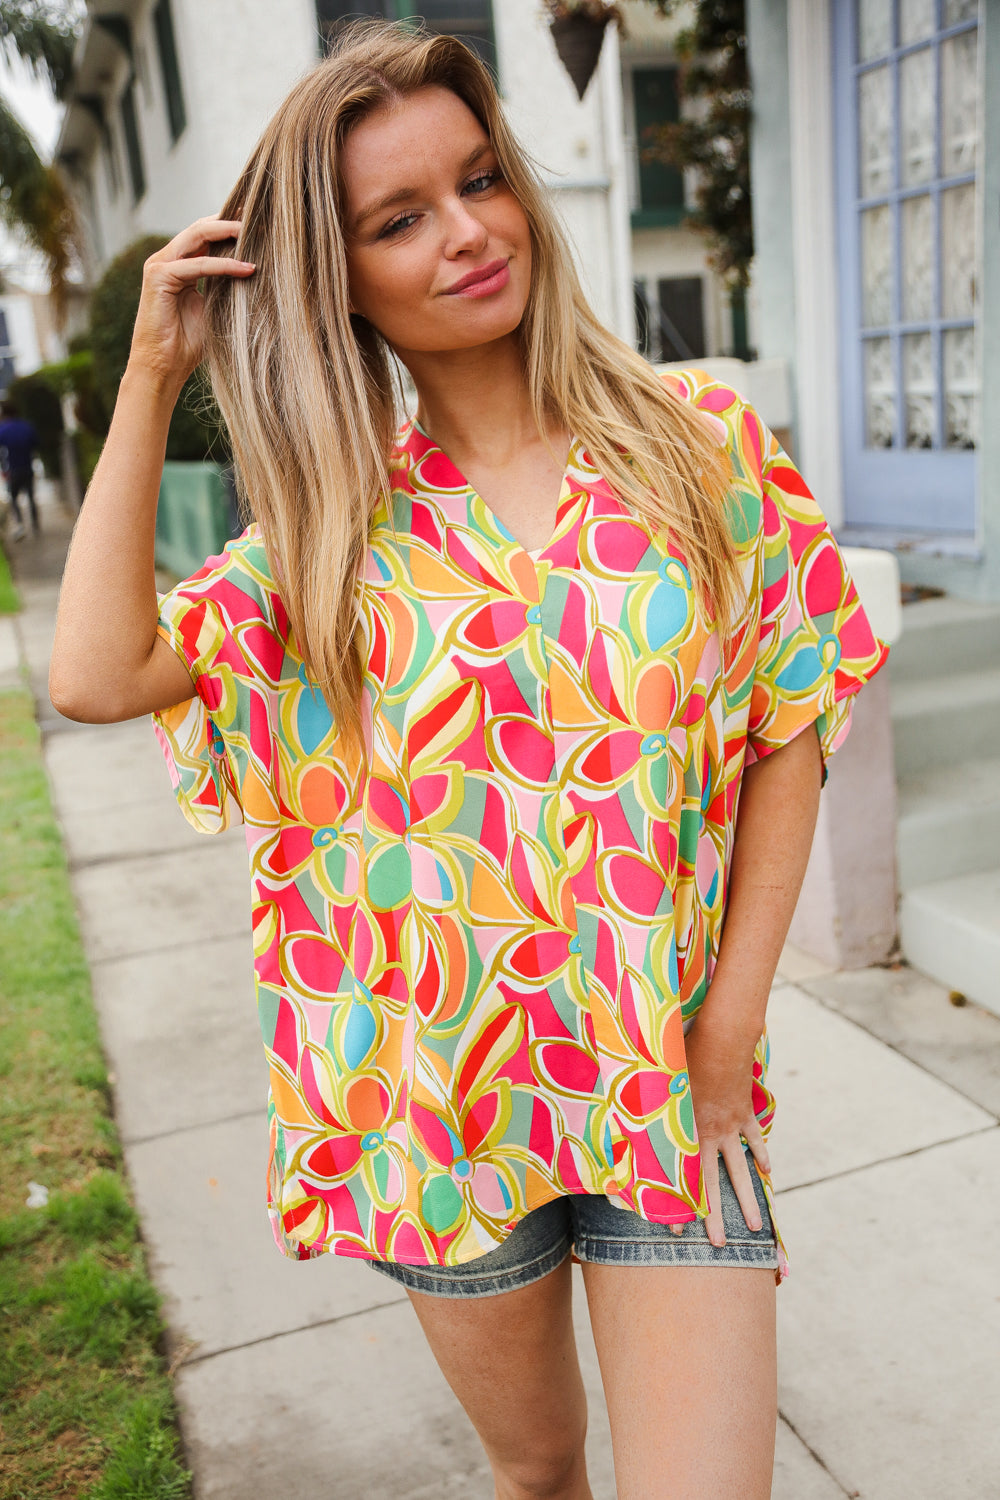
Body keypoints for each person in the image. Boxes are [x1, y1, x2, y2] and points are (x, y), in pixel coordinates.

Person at [49, 21, 888, 1499]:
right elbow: (98, 674)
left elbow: (789, 723)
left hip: (663, 1087)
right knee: (543, 1476)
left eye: (481, 181)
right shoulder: (324, 534)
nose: (467, 232)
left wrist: (726, 1030)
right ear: (337, 274)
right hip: (432, 1113)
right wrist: (148, 372)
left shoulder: (697, 444)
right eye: (399, 218)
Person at [0, 399, 41, 539]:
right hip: (27, 467)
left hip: (12, 470)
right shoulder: (26, 426)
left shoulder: (3, 430)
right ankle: (35, 525)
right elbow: (36, 443)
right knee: (31, 497)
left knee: (13, 498)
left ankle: (20, 524)